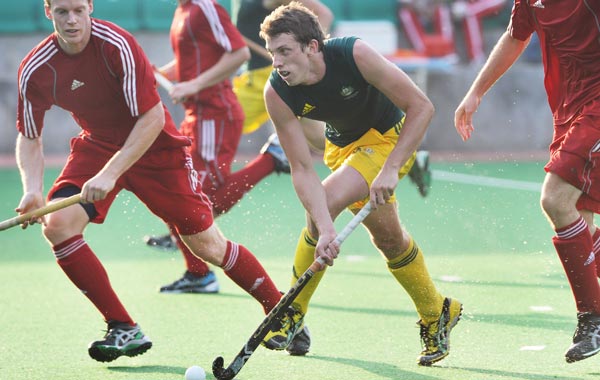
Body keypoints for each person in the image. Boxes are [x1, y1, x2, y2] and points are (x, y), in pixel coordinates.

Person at [16, 0, 288, 363]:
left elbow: (152, 117)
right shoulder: (36, 67)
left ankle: (281, 310)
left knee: (206, 245)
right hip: (98, 144)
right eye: (62, 11)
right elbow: (29, 136)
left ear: (90, 7)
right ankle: (122, 326)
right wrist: (32, 189)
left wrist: (111, 173)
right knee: (58, 226)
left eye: (79, 9)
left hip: (156, 148)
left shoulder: (117, 45)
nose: (72, 20)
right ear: (47, 10)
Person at [258, 2, 463, 365]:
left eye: (285, 51)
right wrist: (325, 230)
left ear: (312, 47)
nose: (277, 62)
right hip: (342, 148)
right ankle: (437, 311)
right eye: (274, 53)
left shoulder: (354, 54)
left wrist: (391, 168)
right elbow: (302, 168)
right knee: (389, 239)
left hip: (387, 141)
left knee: (329, 198)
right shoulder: (277, 93)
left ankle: (291, 312)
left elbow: (421, 106)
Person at [455, 0, 600, 364]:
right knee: (579, 210)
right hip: (569, 108)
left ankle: (592, 319)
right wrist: (476, 92)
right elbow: (515, 35)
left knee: (555, 198)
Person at [142, 0, 292, 294]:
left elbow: (239, 54)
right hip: (196, 115)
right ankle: (198, 273)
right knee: (173, 191)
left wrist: (194, 85)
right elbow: (194, 62)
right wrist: (164, 73)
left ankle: (272, 158)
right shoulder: (183, 9)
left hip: (215, 115)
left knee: (195, 200)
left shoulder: (205, 7)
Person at [398, 0, 507, 64]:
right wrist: (420, 8)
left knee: (458, 11)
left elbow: (441, 3)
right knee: (406, 15)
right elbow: (405, 4)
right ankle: (424, 52)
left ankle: (456, 54)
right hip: (419, 10)